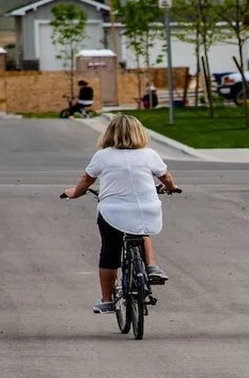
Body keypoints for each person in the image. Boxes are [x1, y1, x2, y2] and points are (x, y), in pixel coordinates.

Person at [62, 114, 179, 313]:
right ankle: (151, 266)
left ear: (109, 134)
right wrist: (171, 186)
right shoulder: (149, 154)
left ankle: (107, 300)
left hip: (113, 212)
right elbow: (165, 176)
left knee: (109, 251)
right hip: (147, 209)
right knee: (141, 230)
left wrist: (74, 193)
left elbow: (86, 180)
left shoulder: (103, 156)